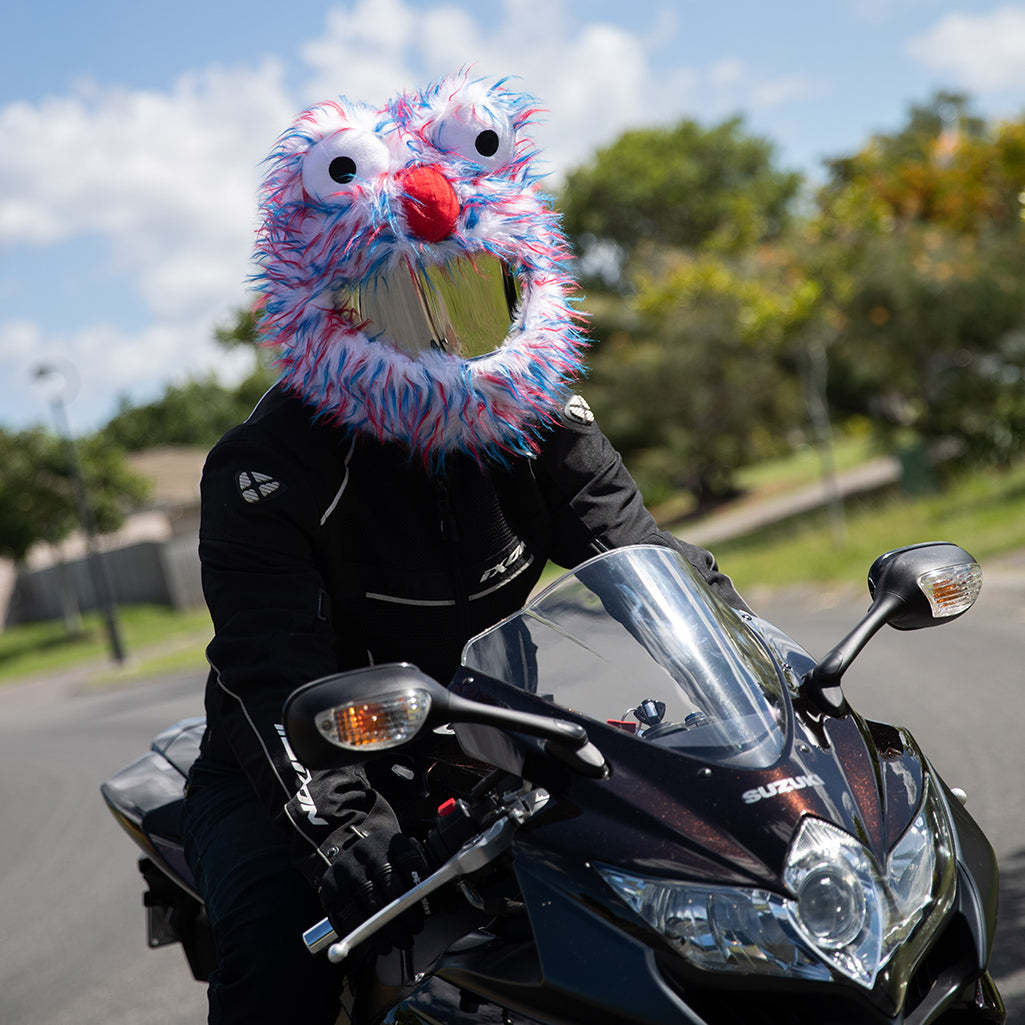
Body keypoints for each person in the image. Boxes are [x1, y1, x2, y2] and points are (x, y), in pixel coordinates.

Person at [182, 70, 746, 1025]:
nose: (445, 342)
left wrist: (771, 690)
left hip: (487, 740)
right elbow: (270, 671)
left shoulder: (538, 418)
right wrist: (340, 826)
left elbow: (641, 556)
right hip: (301, 768)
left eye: (470, 297)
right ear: (333, 310)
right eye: (404, 306)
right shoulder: (266, 465)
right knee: (281, 957)